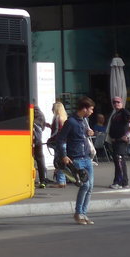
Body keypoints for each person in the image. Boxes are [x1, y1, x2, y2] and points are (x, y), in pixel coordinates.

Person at [52, 96, 96, 225]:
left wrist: (90, 133)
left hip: (86, 157)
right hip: (76, 158)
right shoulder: (71, 122)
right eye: (91, 109)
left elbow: (83, 136)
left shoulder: (84, 121)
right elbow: (60, 139)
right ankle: (78, 213)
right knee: (85, 185)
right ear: (84, 108)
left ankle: (84, 213)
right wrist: (63, 155)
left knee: (90, 187)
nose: (92, 112)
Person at [105, 95, 130, 189]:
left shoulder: (124, 112)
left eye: (118, 102)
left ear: (122, 103)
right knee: (119, 160)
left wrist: (126, 134)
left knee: (119, 159)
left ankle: (119, 182)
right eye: (114, 102)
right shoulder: (115, 114)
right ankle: (123, 182)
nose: (116, 104)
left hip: (121, 141)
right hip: (116, 140)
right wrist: (112, 137)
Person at [49, 101, 69, 186]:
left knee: (58, 161)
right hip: (64, 141)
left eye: (53, 108)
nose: (52, 109)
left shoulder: (57, 118)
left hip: (58, 142)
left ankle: (61, 181)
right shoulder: (64, 118)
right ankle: (63, 179)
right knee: (63, 161)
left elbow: (56, 131)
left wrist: (50, 138)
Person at [32, 106, 49, 188]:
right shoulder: (40, 114)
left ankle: (40, 180)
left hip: (34, 140)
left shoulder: (34, 112)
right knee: (40, 159)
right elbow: (42, 127)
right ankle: (43, 180)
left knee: (37, 159)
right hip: (38, 139)